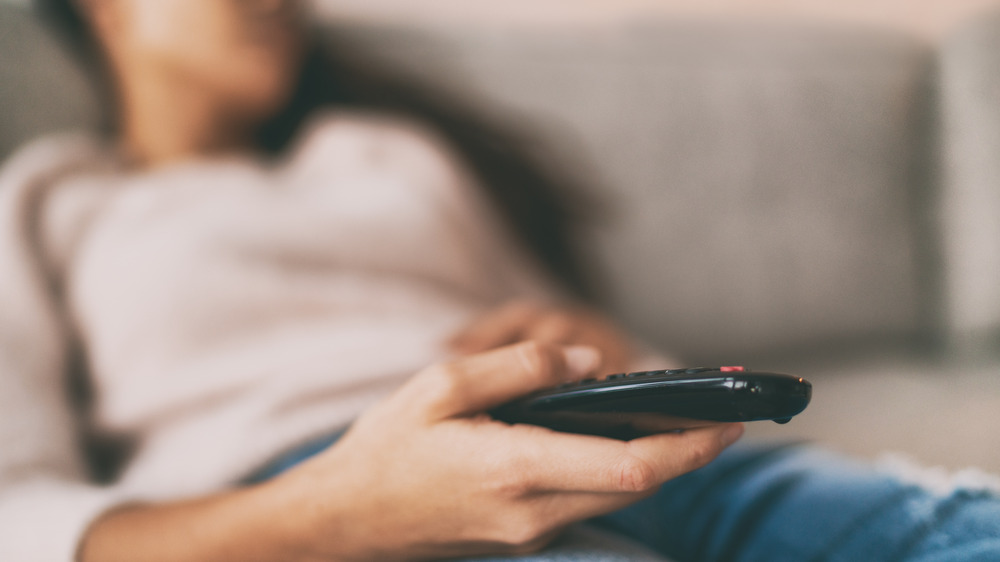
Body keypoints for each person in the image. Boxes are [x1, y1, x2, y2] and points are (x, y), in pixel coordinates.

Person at [0, 1, 998, 561]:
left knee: (947, 532)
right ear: (108, 12)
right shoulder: (45, 202)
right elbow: (19, 517)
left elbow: (584, 346)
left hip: (592, 437)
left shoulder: (388, 151)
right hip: (313, 503)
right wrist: (339, 509)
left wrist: (603, 348)